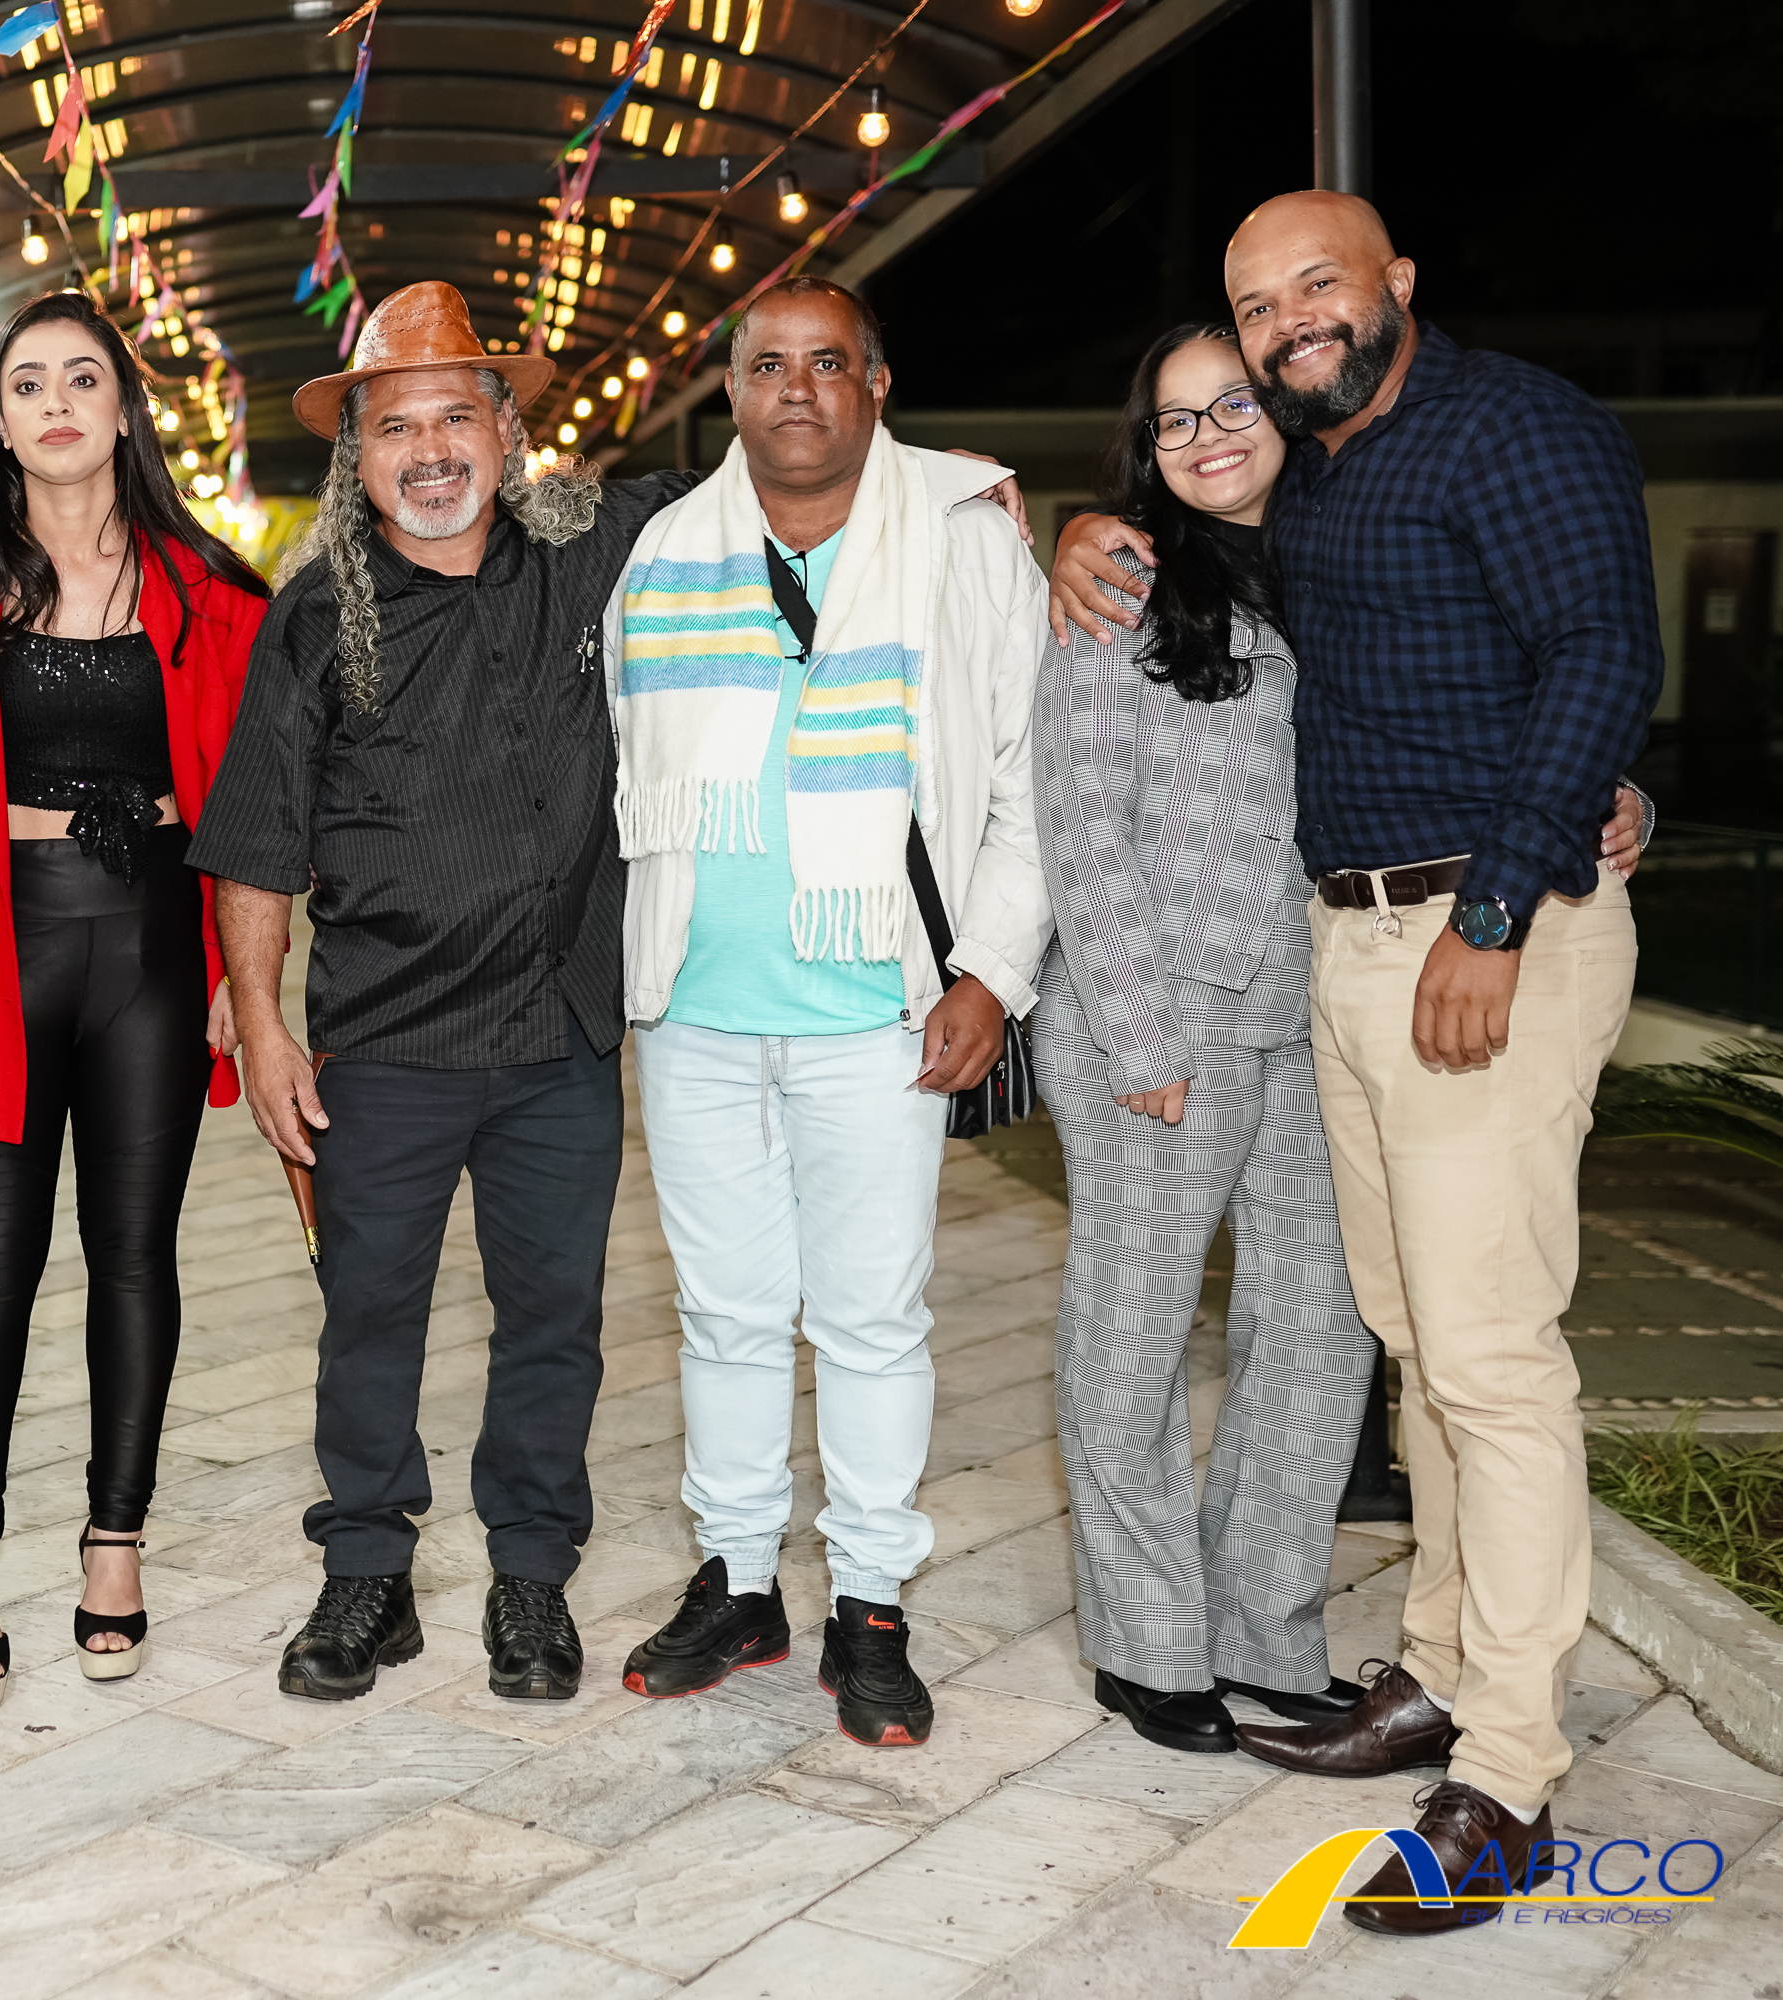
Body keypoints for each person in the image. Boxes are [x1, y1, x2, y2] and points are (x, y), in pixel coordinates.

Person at [1048, 192, 1664, 1931]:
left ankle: (1511, 1773)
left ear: (1396, 283)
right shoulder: (1311, 481)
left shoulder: (1514, 424)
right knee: (1416, 1340)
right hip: (1351, 949)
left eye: (1316, 286)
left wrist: (1511, 898)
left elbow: (1603, 649)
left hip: (1478, 936)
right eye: (1257, 307)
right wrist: (1073, 535)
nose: (1286, 325)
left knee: (1488, 1356)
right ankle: (1443, 1673)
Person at [191, 281, 707, 1704]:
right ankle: (367, 1571)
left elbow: (783, 476)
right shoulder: (313, 619)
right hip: (384, 1042)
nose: (429, 450)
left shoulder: (596, 553)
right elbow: (257, 844)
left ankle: (531, 1578)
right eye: (395, 426)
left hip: (558, 1034)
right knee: (370, 1316)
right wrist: (264, 1025)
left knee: (555, 1320)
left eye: (454, 417)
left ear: (506, 430)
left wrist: (965, 492)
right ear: (356, 459)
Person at [603, 280, 1050, 1750]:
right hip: (696, 1010)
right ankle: (739, 1582)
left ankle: (871, 1601)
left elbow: (1027, 783)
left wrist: (991, 972)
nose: (796, 389)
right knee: (726, 1317)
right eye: (767, 365)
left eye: (828, 363)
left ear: (876, 383)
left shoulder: (963, 541)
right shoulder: (663, 550)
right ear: (730, 390)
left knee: (869, 1322)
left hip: (880, 1012)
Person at [0, 292, 267, 1704]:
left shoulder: (207, 590)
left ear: (123, 408)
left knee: (135, 1253)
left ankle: (116, 1544)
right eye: (28, 382)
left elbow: (255, 797)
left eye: (83, 379)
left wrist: (242, 977)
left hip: (154, 947)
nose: (56, 403)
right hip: (2, 947)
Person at [1030, 323, 1380, 1757]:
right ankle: (1148, 1643)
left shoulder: (1346, 568)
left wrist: (1623, 804)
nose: (1206, 436)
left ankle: (1264, 1631)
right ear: (1148, 448)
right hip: (1158, 1022)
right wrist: (1140, 1037)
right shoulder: (1120, 584)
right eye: (1174, 420)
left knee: (1319, 1328)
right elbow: (1080, 822)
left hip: (1321, 1017)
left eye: (1231, 404)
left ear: (1285, 412)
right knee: (1137, 1330)